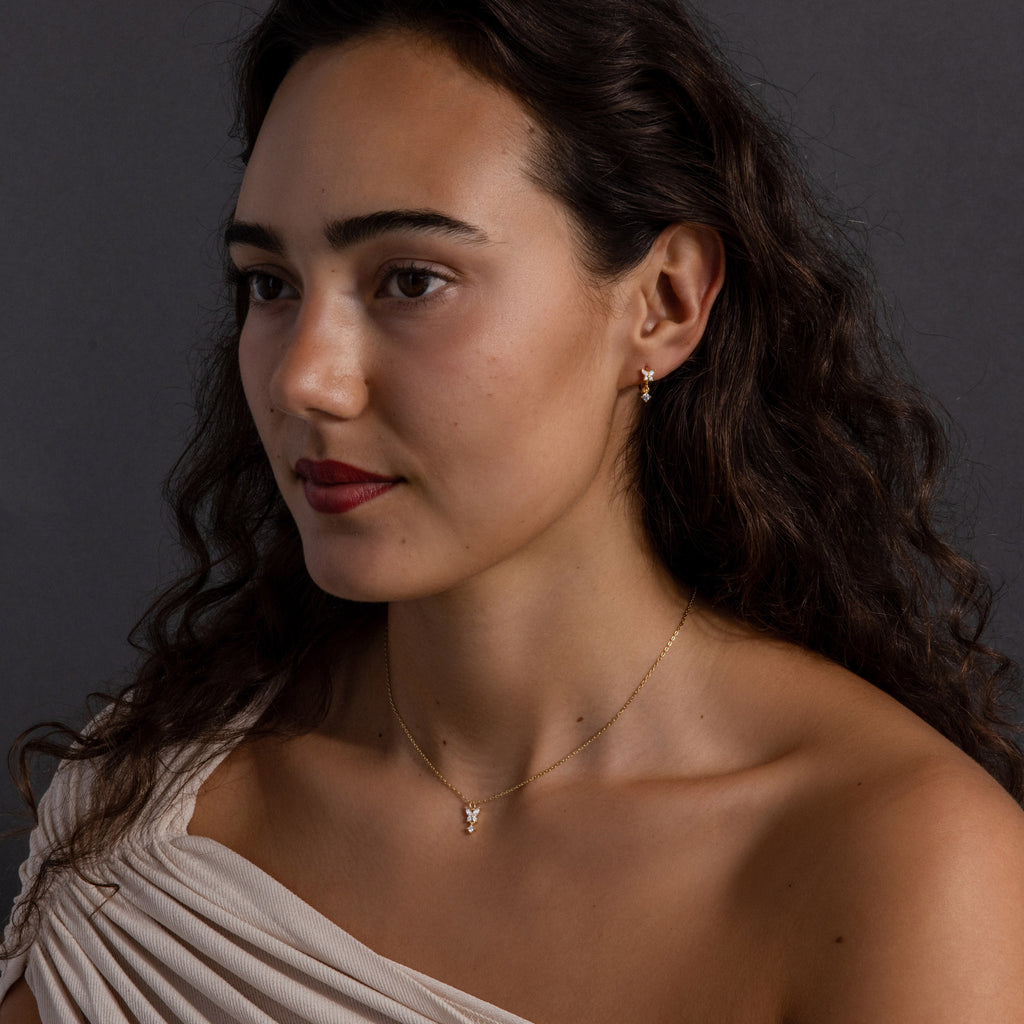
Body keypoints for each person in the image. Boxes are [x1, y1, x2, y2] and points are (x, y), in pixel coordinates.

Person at [3, 0, 1024, 1020]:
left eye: (411, 278)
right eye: (270, 284)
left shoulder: (903, 866)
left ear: (662, 303)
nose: (303, 379)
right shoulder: (153, 805)